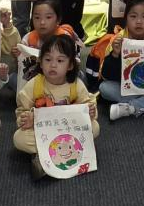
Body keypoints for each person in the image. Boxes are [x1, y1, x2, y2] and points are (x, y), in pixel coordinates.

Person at [15, 34, 100, 178]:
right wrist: (26, 119)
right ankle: (56, 153)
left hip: (68, 132)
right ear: (41, 63)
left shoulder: (75, 85)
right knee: (19, 138)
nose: (53, 65)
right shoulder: (34, 84)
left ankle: (43, 156)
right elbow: (21, 111)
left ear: (70, 65)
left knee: (95, 127)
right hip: (43, 132)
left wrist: (91, 112)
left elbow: (88, 105)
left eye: (60, 60)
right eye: (48, 60)